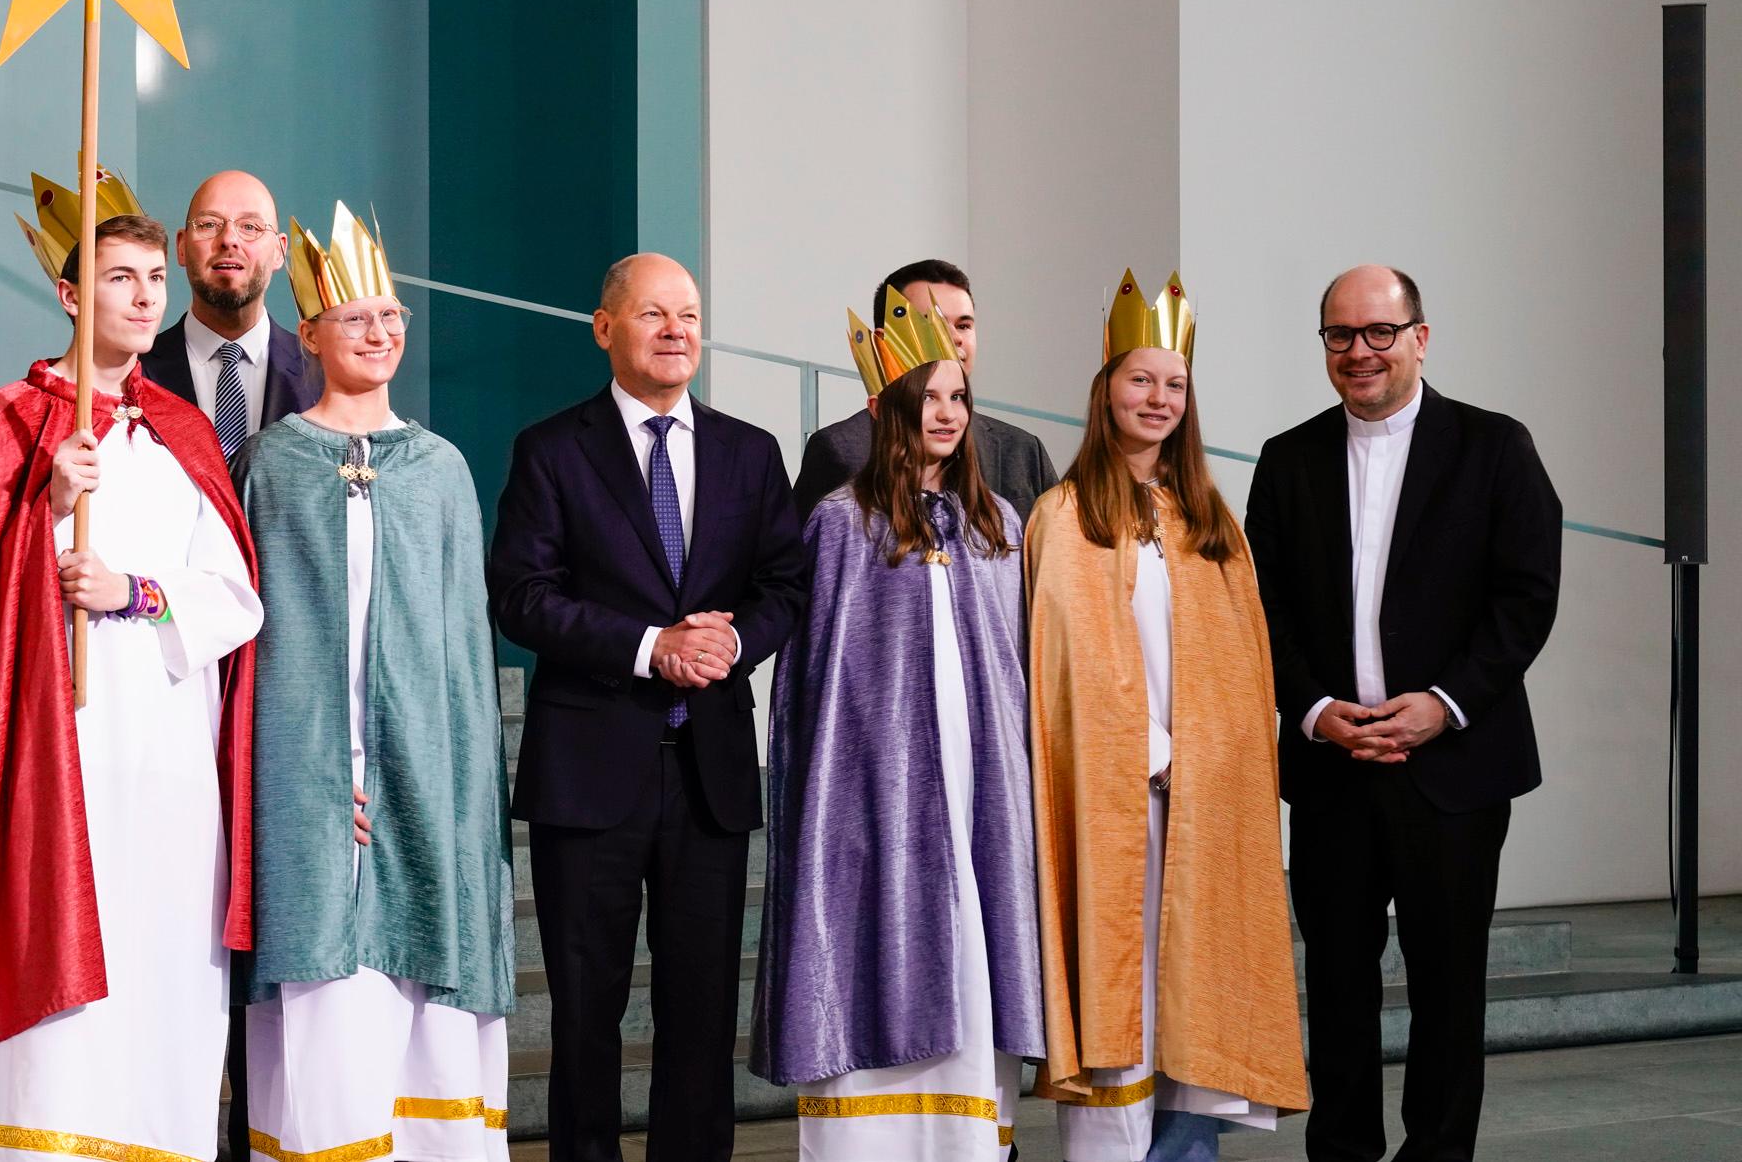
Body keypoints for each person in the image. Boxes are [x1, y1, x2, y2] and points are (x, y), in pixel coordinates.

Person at [0, 207, 265, 1162]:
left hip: (170, 757)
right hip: (57, 751)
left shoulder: (179, 429)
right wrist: (45, 506)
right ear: (68, 296)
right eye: (118, 279)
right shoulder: (4, 424)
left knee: (162, 960)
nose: (145, 297)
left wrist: (134, 593)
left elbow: (236, 601)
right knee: (54, 941)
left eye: (153, 280)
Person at [486, 253, 810, 1162]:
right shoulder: (551, 448)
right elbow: (520, 593)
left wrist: (733, 642)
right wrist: (649, 646)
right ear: (605, 328)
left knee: (701, 1010)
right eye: (654, 314)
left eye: (691, 316)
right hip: (588, 773)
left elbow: (787, 583)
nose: (676, 331)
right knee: (586, 1010)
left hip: (707, 773)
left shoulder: (752, 451)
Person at [1244, 265, 1561, 1162]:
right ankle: (1341, 1152)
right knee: (1338, 983)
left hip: (1452, 772)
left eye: (1379, 332)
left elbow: (1526, 596)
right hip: (1333, 768)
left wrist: (1445, 705)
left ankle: (1438, 1154)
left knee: (1448, 986)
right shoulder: (1288, 457)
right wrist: (1310, 710)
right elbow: (1263, 608)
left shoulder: (1495, 447)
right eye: (1340, 335)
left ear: (1421, 336)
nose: (1360, 352)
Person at [236, 203, 515, 1162]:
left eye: (391, 315)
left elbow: (461, 665)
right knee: (329, 1036)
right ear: (307, 333)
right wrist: (307, 777)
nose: (380, 332)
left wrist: (443, 790)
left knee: (423, 1033)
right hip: (315, 790)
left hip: (425, 790)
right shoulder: (268, 465)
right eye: (356, 317)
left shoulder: (441, 469)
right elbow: (261, 649)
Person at [752, 287, 1043, 1161]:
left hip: (979, 795)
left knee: (971, 963)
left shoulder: (1000, 526)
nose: (946, 413)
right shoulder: (842, 523)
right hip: (873, 796)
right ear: (885, 409)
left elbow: (1015, 668)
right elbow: (818, 686)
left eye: (957, 395)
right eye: (928, 397)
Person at [1026, 270, 1307, 1161]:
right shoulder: (1064, 517)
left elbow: (1241, 671)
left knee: (1193, 1003)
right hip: (1114, 801)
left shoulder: (1210, 521)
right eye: (1141, 379)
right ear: (1106, 387)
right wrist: (1149, 749)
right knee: (1124, 1000)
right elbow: (1062, 668)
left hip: (1204, 808)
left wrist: (1210, 757)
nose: (1158, 398)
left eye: (1174, 384)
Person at [792, 258, 1058, 520]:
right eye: (934, 324)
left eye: (964, 325)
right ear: (887, 343)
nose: (955, 338)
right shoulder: (840, 448)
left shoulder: (1023, 449)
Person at [139, 169, 325, 460]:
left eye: (250, 227)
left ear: (279, 251)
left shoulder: (323, 373)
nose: (229, 240)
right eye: (209, 224)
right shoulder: (133, 373)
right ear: (181, 247)